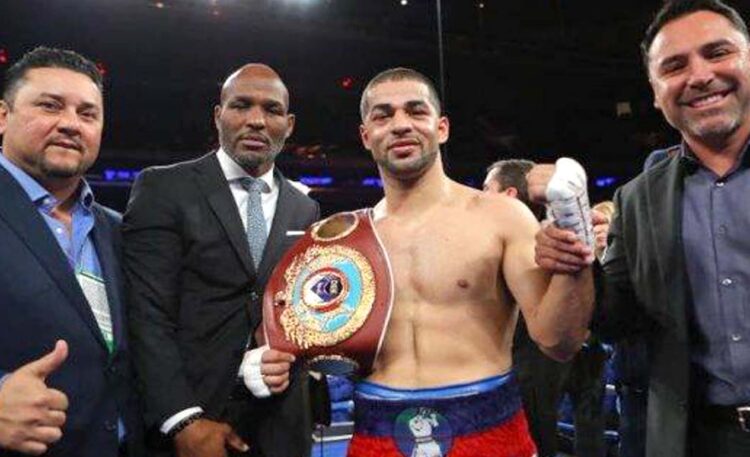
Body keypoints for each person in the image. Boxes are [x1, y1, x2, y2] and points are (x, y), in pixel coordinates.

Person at [535, 1, 750, 456]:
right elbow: (618, 318)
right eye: (674, 65)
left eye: (717, 52)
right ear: (655, 92)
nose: (699, 76)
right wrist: (575, 259)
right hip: (699, 439)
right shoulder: (637, 198)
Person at [343, 68, 594, 457]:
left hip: (488, 432)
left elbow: (559, 342)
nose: (400, 125)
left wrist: (573, 254)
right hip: (377, 436)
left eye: (415, 111)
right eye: (383, 115)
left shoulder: (502, 216)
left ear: (441, 128)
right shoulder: (348, 239)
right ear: (365, 136)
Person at [122, 64, 325, 457]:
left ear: (289, 123)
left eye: (271, 110)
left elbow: (300, 313)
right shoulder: (164, 188)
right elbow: (146, 314)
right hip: (190, 423)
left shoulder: (305, 209)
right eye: (241, 106)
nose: (256, 121)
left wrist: (288, 353)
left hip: (281, 424)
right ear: (218, 116)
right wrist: (181, 418)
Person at [0, 46, 143, 457]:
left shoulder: (118, 229)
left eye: (87, 114)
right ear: (3, 116)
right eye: (50, 106)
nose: (69, 124)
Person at [484, 159, 608, 457]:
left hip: (534, 361)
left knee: (538, 435)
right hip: (568, 357)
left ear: (509, 195)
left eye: (487, 188)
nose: (479, 197)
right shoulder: (546, 240)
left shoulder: (532, 245)